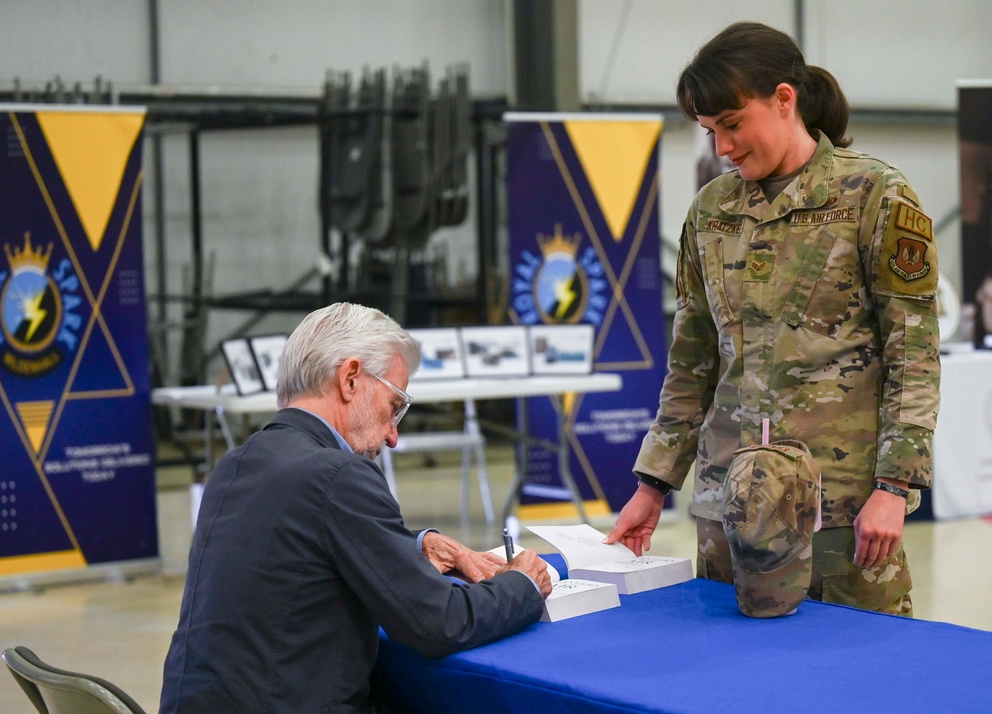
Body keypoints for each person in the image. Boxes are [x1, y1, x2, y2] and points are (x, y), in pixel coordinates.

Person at [605, 21, 940, 616]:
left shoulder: (874, 196)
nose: (723, 148)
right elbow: (691, 362)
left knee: (853, 674)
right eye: (710, 131)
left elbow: (912, 356)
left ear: (784, 99)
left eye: (732, 125)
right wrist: (653, 484)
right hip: (726, 503)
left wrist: (894, 488)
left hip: (838, 505)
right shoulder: (711, 212)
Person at [159, 303, 551, 713]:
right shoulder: (338, 474)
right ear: (349, 379)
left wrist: (414, 548)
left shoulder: (235, 465)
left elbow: (295, 556)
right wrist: (520, 584)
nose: (394, 435)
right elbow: (440, 624)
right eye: (394, 405)